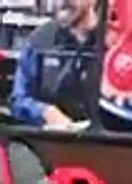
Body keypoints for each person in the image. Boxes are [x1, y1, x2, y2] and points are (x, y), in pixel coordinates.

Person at [10, 0, 99, 130]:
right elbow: (19, 100)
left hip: (107, 144)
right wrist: (45, 112)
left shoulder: (115, 42)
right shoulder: (39, 40)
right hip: (51, 143)